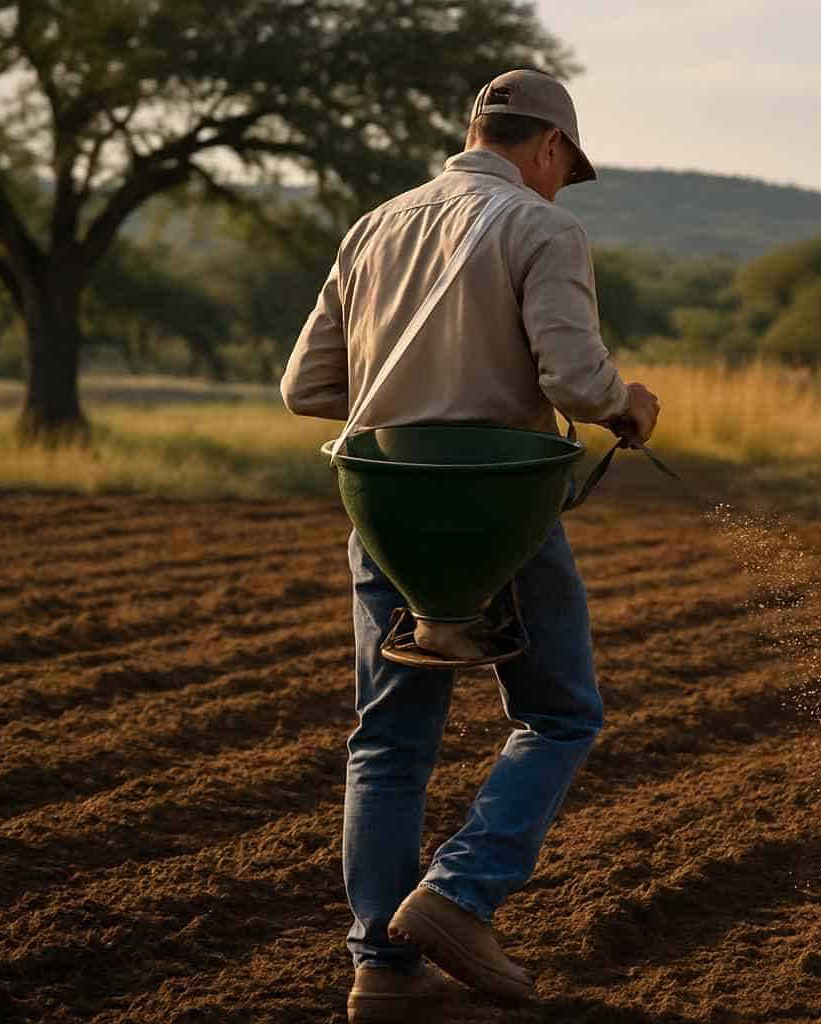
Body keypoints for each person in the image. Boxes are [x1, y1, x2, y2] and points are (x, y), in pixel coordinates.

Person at [279, 68, 661, 1023]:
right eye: (562, 168)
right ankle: (458, 894)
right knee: (561, 714)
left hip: (385, 506)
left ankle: (384, 976)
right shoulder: (546, 227)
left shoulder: (374, 227)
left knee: (389, 746)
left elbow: (305, 387)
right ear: (548, 149)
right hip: (496, 513)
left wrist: (409, 404)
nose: (558, 183)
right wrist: (630, 405)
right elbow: (573, 376)